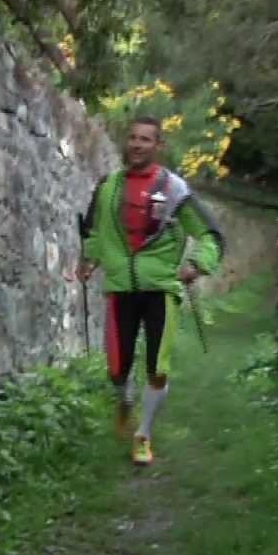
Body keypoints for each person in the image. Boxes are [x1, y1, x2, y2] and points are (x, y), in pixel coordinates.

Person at [76, 115, 225, 466]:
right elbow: (94, 231)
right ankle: (125, 397)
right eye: (132, 138)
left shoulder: (176, 191)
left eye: (145, 139)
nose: (137, 144)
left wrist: (198, 265)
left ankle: (143, 434)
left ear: (158, 146)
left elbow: (210, 235)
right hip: (120, 287)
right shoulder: (107, 187)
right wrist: (88, 260)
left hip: (160, 288)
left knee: (158, 366)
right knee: (116, 365)